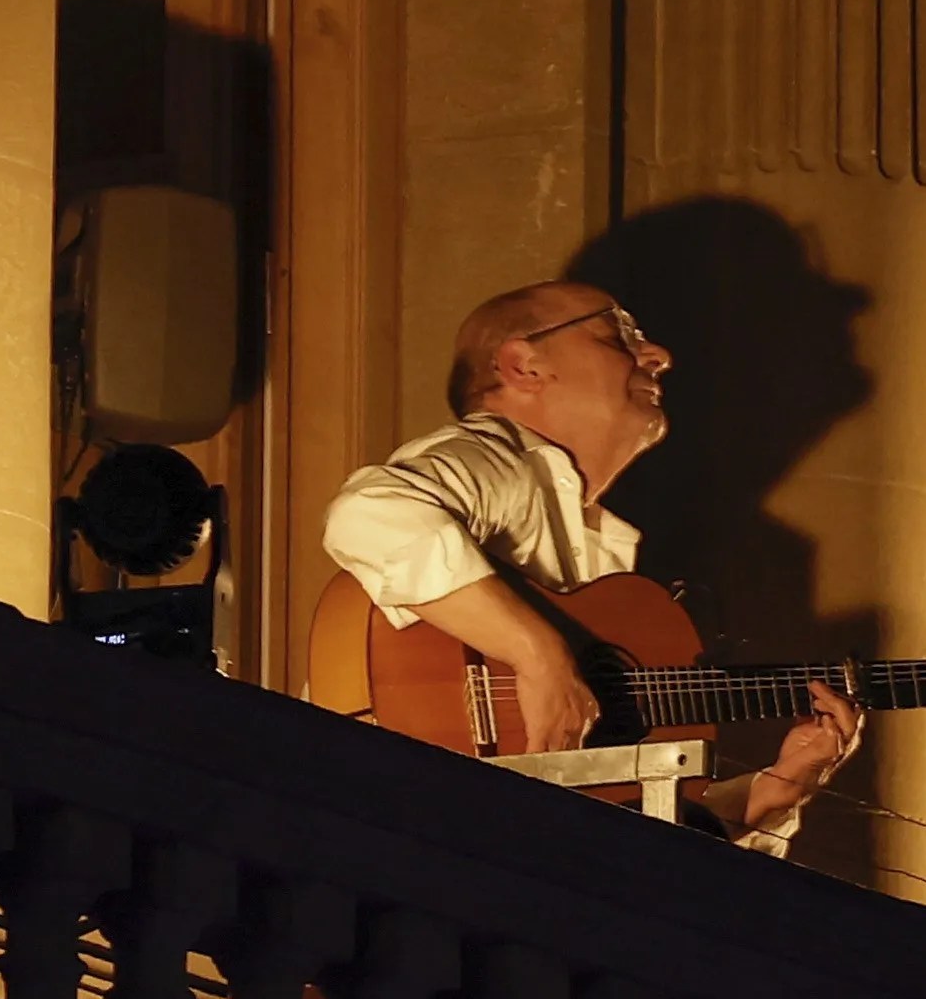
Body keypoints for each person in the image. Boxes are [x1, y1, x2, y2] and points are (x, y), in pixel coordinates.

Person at [318, 281, 861, 850]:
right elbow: (369, 513)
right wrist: (537, 654)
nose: (659, 356)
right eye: (621, 334)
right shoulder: (493, 459)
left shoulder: (607, 553)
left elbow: (612, 816)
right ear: (525, 364)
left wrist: (774, 792)